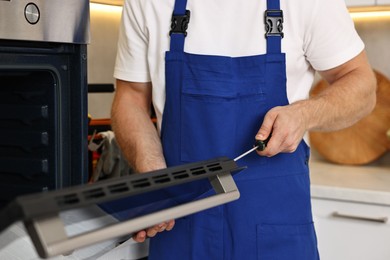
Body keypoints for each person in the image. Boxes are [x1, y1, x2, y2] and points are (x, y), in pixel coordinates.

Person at [111, 0, 376, 259]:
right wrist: (154, 177)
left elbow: (361, 84)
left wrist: (304, 114)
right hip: (179, 226)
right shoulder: (144, 3)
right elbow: (131, 97)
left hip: (276, 229)